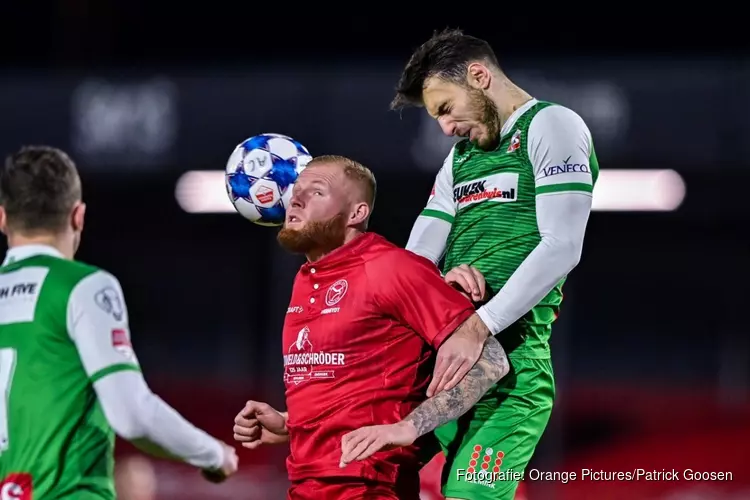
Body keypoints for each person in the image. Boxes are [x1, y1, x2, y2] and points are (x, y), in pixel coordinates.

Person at [387, 29, 599, 499]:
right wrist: (441, 283)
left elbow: (563, 245)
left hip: (513, 377)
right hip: (444, 372)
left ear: (479, 76)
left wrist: (478, 326)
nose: (444, 128)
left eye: (445, 108)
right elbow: (412, 264)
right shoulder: (459, 161)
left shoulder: (552, 124)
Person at [231, 155, 510, 500]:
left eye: (316, 192)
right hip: (306, 489)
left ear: (357, 214)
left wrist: (410, 426)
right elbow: (357, 387)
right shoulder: (306, 279)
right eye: (296, 189)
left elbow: (492, 360)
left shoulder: (390, 268)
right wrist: (290, 424)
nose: (296, 199)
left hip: (370, 488)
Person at [0, 146, 238, 499]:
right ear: (78, 216)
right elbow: (132, 415)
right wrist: (214, 454)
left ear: (3, 218)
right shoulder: (82, 287)